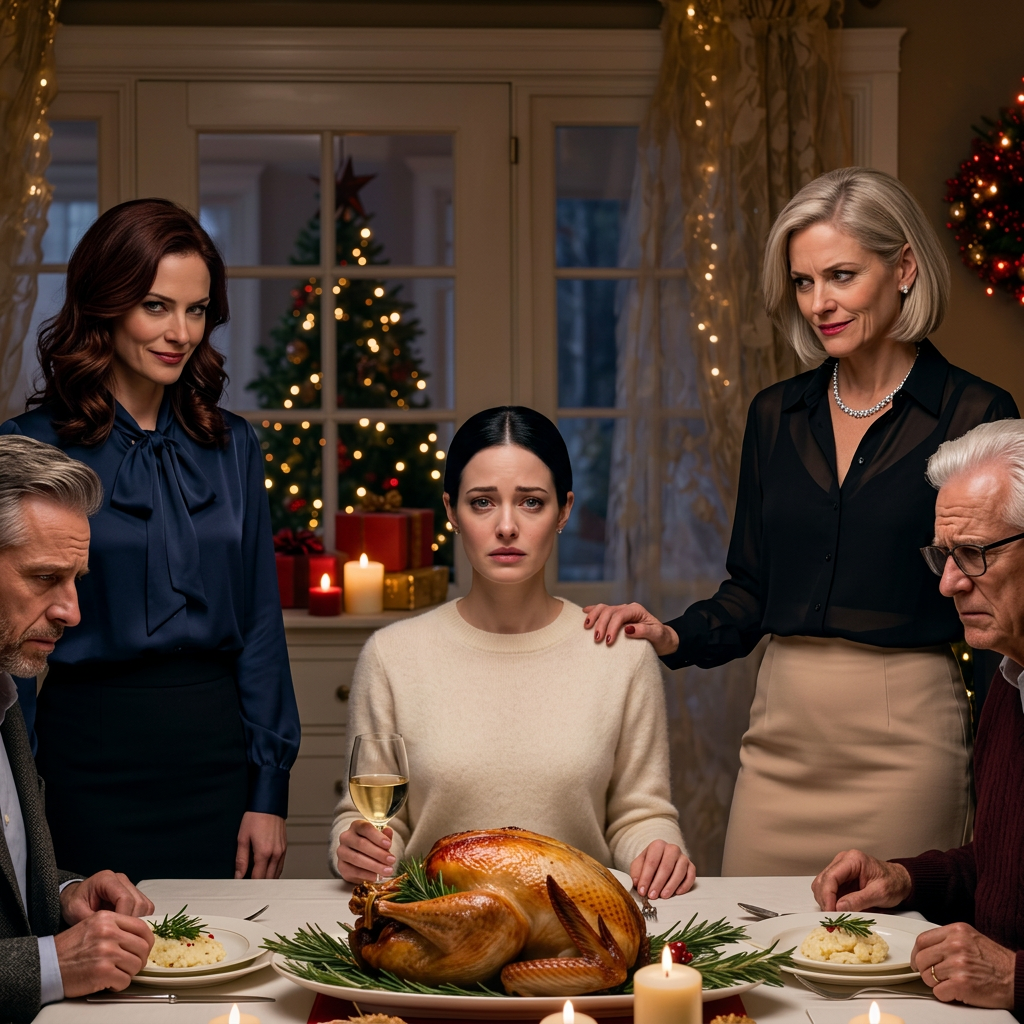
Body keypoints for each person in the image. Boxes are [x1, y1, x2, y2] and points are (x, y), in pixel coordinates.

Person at [582, 167, 1019, 876]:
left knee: (895, 937)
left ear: (904, 268)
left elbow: (1001, 588)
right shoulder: (775, 414)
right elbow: (752, 588)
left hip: (906, 742)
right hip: (779, 735)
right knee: (754, 938)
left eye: (841, 275)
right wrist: (672, 634)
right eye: (804, 282)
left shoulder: (974, 412)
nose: (819, 303)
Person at [0, 198, 300, 882]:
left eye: (197, 310)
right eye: (156, 307)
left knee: (223, 940)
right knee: (95, 940)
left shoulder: (234, 445)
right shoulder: (28, 446)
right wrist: (21, 798)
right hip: (83, 755)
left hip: (215, 758)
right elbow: (10, 637)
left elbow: (260, 623)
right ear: (105, 304)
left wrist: (268, 788)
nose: (180, 332)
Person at [331, 407, 692, 900]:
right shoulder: (392, 655)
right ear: (451, 511)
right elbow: (372, 820)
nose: (506, 526)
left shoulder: (619, 655)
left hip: (577, 922)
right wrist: (356, 847)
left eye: (531, 502)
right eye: (482, 502)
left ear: (563, 511)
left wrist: (658, 850)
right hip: (432, 923)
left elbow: (640, 815)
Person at [812, 420, 1024, 1014]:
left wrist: (1014, 976)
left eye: (974, 554)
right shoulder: (1010, 679)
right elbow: (1005, 870)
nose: (949, 584)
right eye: (945, 556)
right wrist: (905, 879)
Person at [0, 435, 158, 1023]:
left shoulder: (7, 692)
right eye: (45, 577)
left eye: (75, 579)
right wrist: (52, 964)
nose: (72, 611)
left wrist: (64, 894)